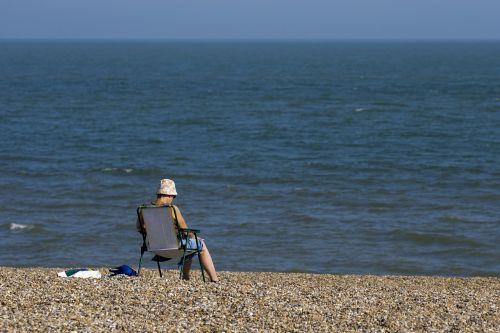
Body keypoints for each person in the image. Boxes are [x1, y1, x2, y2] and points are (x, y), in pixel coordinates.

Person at [136, 179, 219, 282]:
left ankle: (186, 277)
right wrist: (195, 237)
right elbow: (185, 230)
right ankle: (214, 279)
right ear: (170, 195)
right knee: (200, 244)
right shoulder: (172, 208)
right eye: (174, 197)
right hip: (174, 248)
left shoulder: (144, 208)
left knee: (189, 243)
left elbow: (139, 228)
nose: (173, 199)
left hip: (154, 247)